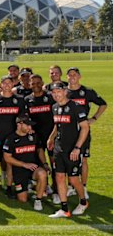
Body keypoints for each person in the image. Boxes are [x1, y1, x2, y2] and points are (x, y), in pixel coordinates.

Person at [47, 82, 90, 218]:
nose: (56, 95)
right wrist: (51, 138)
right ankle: (64, 209)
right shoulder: (54, 107)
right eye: (53, 93)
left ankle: (83, 202)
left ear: (65, 91)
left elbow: (85, 127)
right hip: (59, 148)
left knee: (73, 179)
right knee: (59, 177)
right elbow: (58, 124)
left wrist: (77, 148)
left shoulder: (76, 107)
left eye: (58, 91)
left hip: (73, 149)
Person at [66, 67, 107, 200]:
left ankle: (83, 186)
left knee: (83, 159)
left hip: (82, 131)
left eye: (75, 75)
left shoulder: (87, 92)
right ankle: (71, 186)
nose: (72, 77)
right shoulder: (63, 92)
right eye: (70, 75)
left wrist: (94, 118)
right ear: (67, 77)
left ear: (79, 76)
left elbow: (103, 104)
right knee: (67, 159)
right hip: (67, 131)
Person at [3, 116, 48, 211]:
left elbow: (40, 150)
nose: (30, 128)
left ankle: (38, 200)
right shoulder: (10, 139)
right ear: (19, 124)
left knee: (42, 174)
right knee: (22, 199)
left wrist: (44, 164)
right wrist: (24, 164)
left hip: (33, 168)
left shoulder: (33, 136)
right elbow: (7, 158)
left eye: (30, 126)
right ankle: (29, 185)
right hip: (19, 171)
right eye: (27, 125)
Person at [24, 74, 56, 199]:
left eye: (38, 82)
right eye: (33, 83)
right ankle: (45, 185)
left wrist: (53, 136)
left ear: (42, 82)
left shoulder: (50, 97)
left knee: (54, 164)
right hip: (37, 139)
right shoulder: (27, 99)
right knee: (41, 163)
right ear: (30, 85)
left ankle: (56, 189)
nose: (36, 85)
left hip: (51, 137)